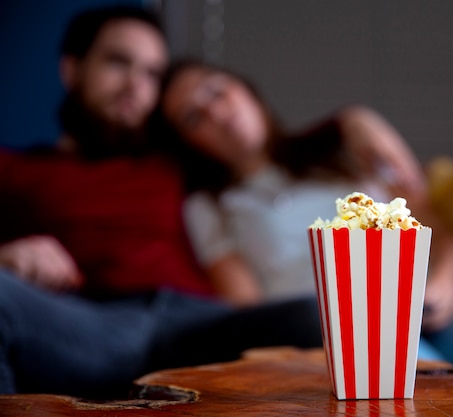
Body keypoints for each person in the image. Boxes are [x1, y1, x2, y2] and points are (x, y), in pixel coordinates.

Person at [152, 58, 453, 387]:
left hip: (431, 302)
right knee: (431, 391)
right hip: (344, 332)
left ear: (244, 89)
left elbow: (432, 223)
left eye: (215, 90)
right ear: (189, 142)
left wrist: (443, 286)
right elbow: (248, 306)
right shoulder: (211, 205)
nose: (214, 112)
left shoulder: (342, 154)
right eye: (193, 116)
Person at [0, 5, 322, 399]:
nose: (136, 85)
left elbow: (263, 143)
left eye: (152, 74)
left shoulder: (178, 157)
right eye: (118, 62)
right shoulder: (14, 168)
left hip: (203, 324)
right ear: (72, 70)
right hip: (91, 326)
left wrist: (349, 123)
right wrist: (7, 255)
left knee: (313, 316)